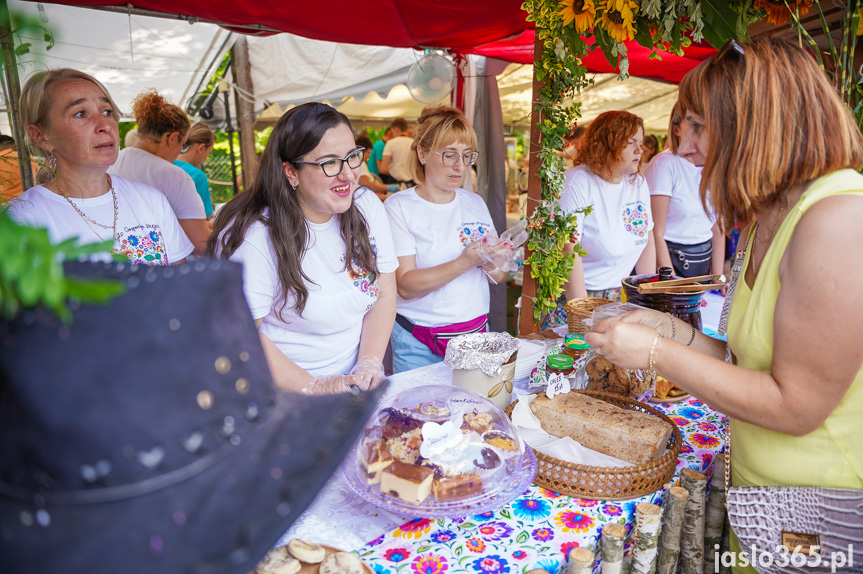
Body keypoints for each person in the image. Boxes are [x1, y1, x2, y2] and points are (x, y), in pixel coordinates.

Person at [585, 38, 863, 573]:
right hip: (765, 504)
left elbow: (796, 405)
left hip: (820, 517)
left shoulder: (836, 220)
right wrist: (668, 328)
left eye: (697, 126)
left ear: (757, 123)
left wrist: (657, 352)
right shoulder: (769, 216)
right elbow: (747, 364)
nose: (684, 147)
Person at [207, 102, 397, 394]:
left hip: (352, 386)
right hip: (281, 394)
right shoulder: (256, 237)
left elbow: (384, 293)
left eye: (352, 157)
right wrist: (316, 387)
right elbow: (237, 334)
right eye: (330, 163)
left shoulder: (366, 206)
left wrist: (369, 363)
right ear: (291, 173)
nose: (348, 175)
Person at [6, 68, 192, 265]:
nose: (105, 124)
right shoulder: (20, 220)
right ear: (40, 136)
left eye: (107, 111)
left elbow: (182, 285)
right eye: (80, 114)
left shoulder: (151, 201)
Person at [384, 105, 510, 373]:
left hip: (475, 335)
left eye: (467, 156)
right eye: (449, 155)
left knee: (472, 413)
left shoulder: (474, 203)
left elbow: (499, 277)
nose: (460, 166)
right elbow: (405, 285)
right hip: (419, 341)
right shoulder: (399, 207)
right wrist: (465, 262)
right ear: (422, 153)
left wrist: (493, 261)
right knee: (418, 413)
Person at [548, 111, 656, 328]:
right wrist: (583, 313)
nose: (639, 150)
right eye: (630, 142)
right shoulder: (578, 181)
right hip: (576, 297)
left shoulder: (637, 183)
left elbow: (646, 237)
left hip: (618, 297)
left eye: (641, 143)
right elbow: (568, 249)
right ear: (608, 144)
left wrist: (647, 298)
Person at [108, 90, 210, 254]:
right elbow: (202, 243)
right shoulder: (174, 176)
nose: (180, 152)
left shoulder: (109, 164)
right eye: (183, 144)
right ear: (172, 138)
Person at [645, 103, 724, 279]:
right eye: (692, 125)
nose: (700, 132)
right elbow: (655, 233)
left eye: (702, 125)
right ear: (676, 130)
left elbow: (718, 228)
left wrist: (717, 278)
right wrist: (674, 284)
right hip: (671, 264)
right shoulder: (664, 164)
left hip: (702, 263)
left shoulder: (713, 164)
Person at [173, 121, 216, 221]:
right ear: (201, 148)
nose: (206, 158)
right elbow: (205, 219)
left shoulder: (165, 165)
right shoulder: (198, 176)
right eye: (208, 153)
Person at [356, 134, 399, 199]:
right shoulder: (360, 163)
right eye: (368, 152)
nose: (369, 156)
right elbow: (366, 184)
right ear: (360, 151)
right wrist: (388, 187)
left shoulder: (360, 163)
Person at [379, 117, 414, 186]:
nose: (392, 134)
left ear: (396, 129)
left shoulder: (391, 143)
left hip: (394, 182)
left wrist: (395, 170)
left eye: (392, 131)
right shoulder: (414, 143)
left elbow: (383, 169)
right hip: (411, 183)